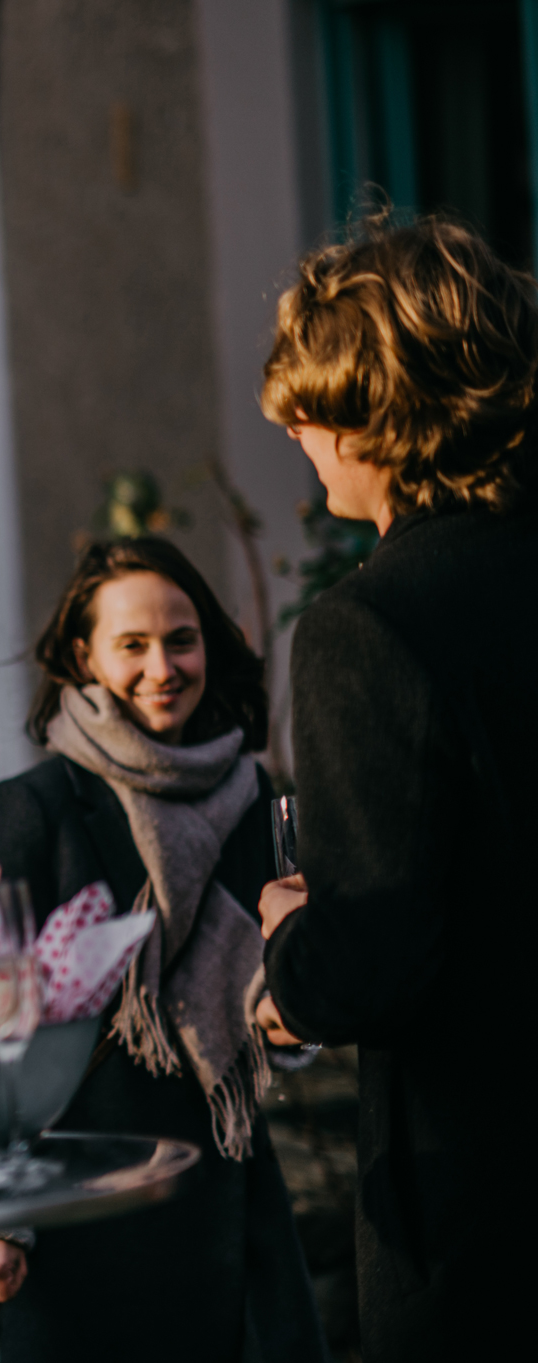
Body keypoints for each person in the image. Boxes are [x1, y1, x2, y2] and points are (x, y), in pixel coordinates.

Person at [255, 217, 537, 1361]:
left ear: (379, 411)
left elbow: (367, 969)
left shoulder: (369, 625)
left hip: (484, 1223)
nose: (292, 431)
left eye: (310, 405)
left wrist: (286, 941)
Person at [0, 536, 325, 1363]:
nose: (162, 667)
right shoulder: (33, 809)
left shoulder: (253, 796)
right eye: (133, 644)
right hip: (83, 1218)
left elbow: (273, 994)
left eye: (181, 640)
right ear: (83, 655)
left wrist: (295, 1014)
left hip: (230, 1214)